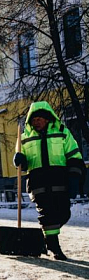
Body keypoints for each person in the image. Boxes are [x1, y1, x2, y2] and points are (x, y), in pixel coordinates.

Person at [13, 102, 85, 260]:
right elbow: (22, 164)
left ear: (47, 119)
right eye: (33, 119)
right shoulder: (24, 137)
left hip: (60, 178)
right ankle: (54, 246)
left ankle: (46, 237)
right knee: (47, 214)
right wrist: (19, 160)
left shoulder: (62, 132)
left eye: (39, 119)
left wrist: (74, 178)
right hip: (38, 181)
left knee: (64, 213)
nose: (36, 122)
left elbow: (74, 156)